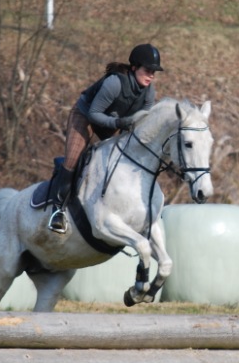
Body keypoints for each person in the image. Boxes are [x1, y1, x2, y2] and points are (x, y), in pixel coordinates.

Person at [46, 43, 164, 233]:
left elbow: (142, 123)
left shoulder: (149, 92)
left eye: (154, 72)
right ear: (134, 68)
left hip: (115, 121)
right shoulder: (115, 83)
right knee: (73, 159)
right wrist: (118, 124)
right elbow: (94, 114)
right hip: (86, 116)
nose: (151, 75)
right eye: (148, 70)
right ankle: (58, 211)